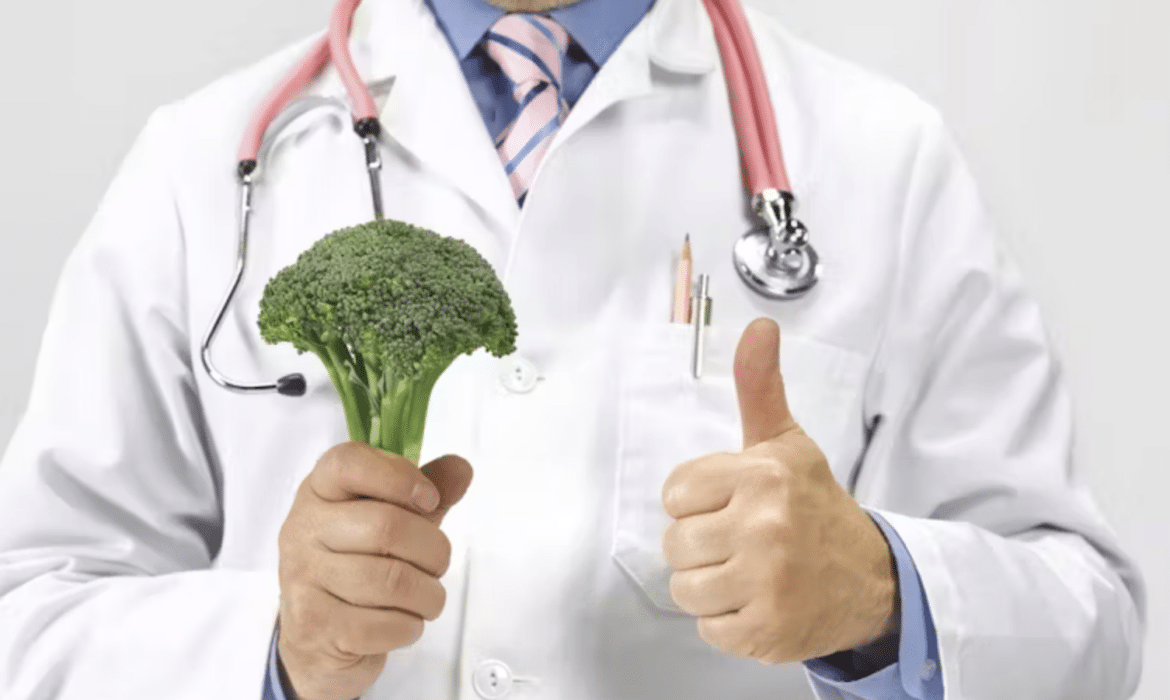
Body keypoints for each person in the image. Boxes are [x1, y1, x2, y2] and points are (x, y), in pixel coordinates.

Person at [0, 0, 1146, 698]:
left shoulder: (880, 160)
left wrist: (885, 597)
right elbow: (29, 623)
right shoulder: (201, 168)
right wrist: (276, 642)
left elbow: (1091, 627)